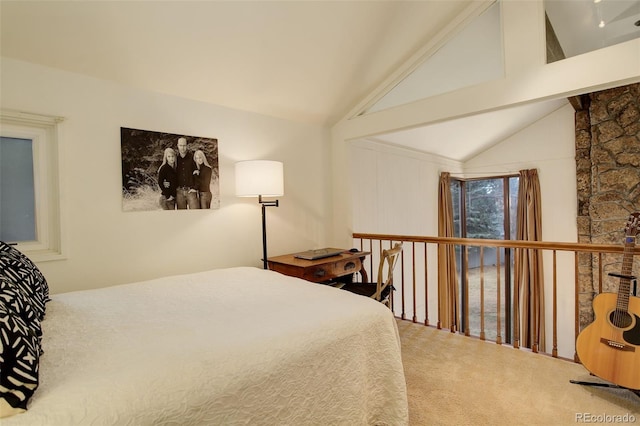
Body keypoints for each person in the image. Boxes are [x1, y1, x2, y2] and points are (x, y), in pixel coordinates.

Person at [175, 137, 198, 209]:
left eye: (184, 145)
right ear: (177, 145)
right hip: (179, 192)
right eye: (180, 145)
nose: (182, 148)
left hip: (191, 191)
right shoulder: (175, 159)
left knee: (196, 213)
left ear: (187, 146)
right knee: (182, 216)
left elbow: (197, 172)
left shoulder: (192, 157)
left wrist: (195, 187)